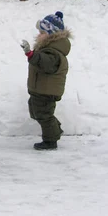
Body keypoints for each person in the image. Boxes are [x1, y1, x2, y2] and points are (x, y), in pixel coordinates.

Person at [20, 11, 72, 151]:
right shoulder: (48, 49)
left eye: (42, 32)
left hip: (47, 91)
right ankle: (55, 130)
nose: (38, 35)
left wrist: (31, 54)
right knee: (36, 112)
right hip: (40, 89)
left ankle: (50, 141)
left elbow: (45, 63)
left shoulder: (54, 52)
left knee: (43, 115)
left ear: (51, 34)